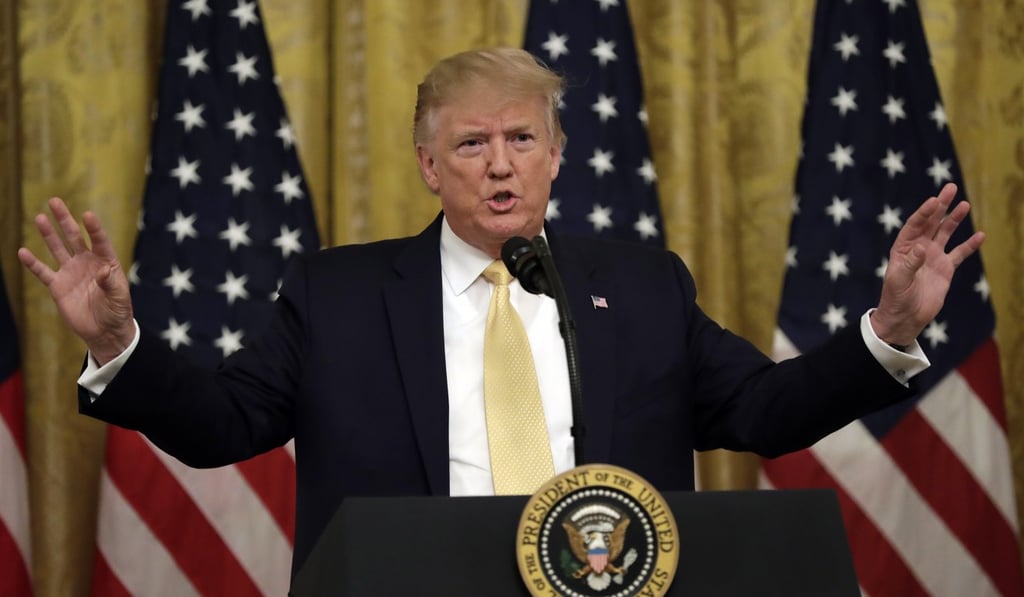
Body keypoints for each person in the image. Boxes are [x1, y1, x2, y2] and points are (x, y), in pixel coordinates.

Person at [17, 47, 983, 578]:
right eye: (472, 142)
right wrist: (117, 344)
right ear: (431, 168)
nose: (501, 162)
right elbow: (220, 427)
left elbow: (764, 412)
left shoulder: (644, 285)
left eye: (523, 137)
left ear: (558, 155)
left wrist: (889, 330)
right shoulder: (338, 295)